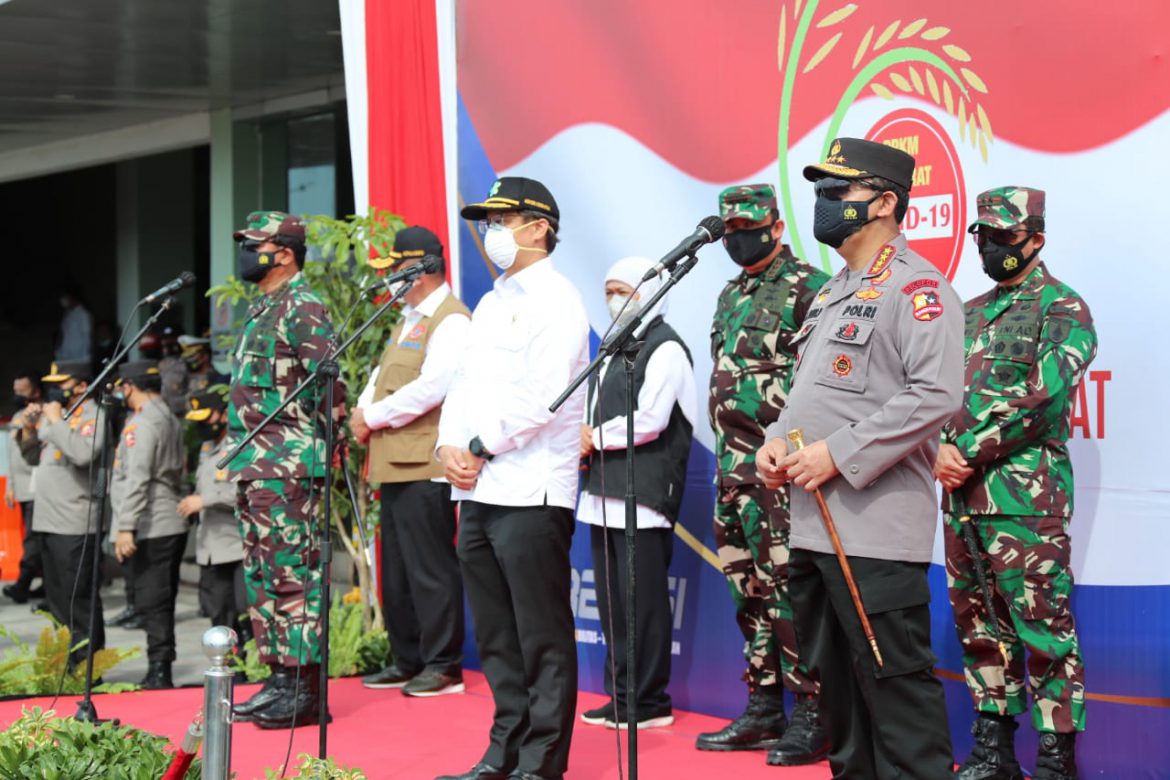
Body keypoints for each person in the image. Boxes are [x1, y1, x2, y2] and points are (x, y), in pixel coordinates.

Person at [756, 137, 964, 779]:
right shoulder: (831, 291)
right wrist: (777, 438)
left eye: (838, 191)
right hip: (815, 526)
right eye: (821, 190)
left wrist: (838, 455)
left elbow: (936, 394)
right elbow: (813, 390)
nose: (824, 203)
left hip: (873, 532)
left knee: (896, 695)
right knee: (838, 701)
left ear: (885, 202)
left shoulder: (919, 288)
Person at [937, 187, 1096, 780]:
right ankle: (993, 750)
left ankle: (1056, 761)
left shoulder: (1063, 308)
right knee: (979, 626)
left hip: (1024, 502)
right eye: (984, 235)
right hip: (960, 500)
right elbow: (933, 397)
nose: (992, 247)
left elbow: (1043, 398)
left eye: (1005, 236)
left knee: (1044, 632)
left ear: (1036, 239)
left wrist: (964, 451)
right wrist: (937, 450)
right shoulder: (968, 312)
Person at [435, 177, 588, 780]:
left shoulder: (559, 299)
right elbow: (462, 383)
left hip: (531, 490)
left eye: (502, 220)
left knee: (540, 634)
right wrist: (449, 444)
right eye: (486, 221)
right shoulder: (493, 301)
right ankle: (503, 751)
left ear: (538, 227)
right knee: (497, 633)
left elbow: (546, 395)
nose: (491, 232)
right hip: (477, 490)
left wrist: (478, 444)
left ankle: (541, 761)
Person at [697, 183, 830, 765]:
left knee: (790, 595)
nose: (739, 238)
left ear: (776, 225)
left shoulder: (810, 289)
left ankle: (813, 711)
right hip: (731, 469)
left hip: (780, 474)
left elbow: (821, 384)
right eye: (730, 230)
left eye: (749, 226)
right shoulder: (730, 294)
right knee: (747, 591)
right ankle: (763, 704)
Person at [225, 210, 346, 730]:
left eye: (256, 245)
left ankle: (305, 690)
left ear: (286, 252)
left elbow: (329, 388)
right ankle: (279, 677)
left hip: (291, 466)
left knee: (295, 574)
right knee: (265, 575)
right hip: (258, 465)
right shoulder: (264, 306)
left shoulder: (304, 305)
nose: (248, 254)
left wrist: (324, 451)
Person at [576, 256, 696, 731]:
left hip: (642, 500)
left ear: (650, 293)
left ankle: (648, 701)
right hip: (603, 495)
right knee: (613, 607)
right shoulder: (614, 347)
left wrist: (593, 438)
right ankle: (622, 696)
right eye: (607, 290)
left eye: (623, 289)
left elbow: (650, 420)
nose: (613, 300)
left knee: (641, 606)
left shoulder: (665, 349)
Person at [351, 225, 470, 697]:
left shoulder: (451, 319)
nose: (389, 279)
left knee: (429, 567)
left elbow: (433, 386)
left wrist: (372, 417)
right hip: (392, 462)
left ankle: (442, 665)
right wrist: (363, 411)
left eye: (395, 269)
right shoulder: (408, 318)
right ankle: (407, 657)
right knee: (397, 569)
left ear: (416, 269)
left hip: (424, 463)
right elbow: (381, 377)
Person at [17, 360, 105, 665]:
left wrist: (54, 422)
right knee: (57, 602)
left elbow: (83, 454)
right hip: (48, 521)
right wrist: (30, 428)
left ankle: (89, 667)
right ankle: (69, 661)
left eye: (64, 383)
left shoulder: (94, 416)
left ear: (82, 386)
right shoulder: (64, 416)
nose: (58, 389)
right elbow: (32, 456)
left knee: (78, 600)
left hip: (74, 523)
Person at [109, 360, 188, 689]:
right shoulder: (168, 415)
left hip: (152, 521)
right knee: (160, 598)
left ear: (129, 386)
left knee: (153, 601)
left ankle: (159, 669)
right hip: (167, 518)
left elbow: (138, 477)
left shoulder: (141, 424)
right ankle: (160, 664)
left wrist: (125, 526)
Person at [181, 392, 248, 642]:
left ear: (222, 414)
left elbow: (242, 493)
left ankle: (249, 669)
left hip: (234, 546)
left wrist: (205, 501)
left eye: (206, 418)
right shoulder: (207, 449)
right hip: (209, 545)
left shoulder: (237, 446)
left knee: (243, 612)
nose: (202, 426)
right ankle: (229, 667)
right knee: (218, 613)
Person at [3, 371, 44, 604]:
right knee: (33, 538)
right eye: (15, 390)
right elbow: (13, 455)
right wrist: (10, 485)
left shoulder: (41, 415)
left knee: (33, 539)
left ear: (36, 391)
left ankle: (23, 582)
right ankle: (44, 583)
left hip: (37, 486)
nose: (17, 395)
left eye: (23, 391)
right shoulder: (19, 415)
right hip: (21, 487)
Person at [55, 288, 92, 365]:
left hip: (78, 358)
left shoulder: (83, 314)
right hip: (64, 356)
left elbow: (86, 337)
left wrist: (85, 358)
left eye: (66, 297)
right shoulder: (67, 314)